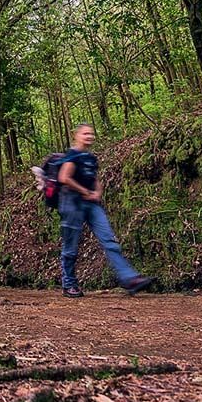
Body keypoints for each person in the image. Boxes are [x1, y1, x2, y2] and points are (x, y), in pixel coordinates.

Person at [57, 124, 152, 298]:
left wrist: (97, 192)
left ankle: (129, 279)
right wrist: (85, 192)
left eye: (91, 133)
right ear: (76, 136)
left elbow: (95, 179)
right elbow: (64, 178)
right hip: (71, 204)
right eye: (85, 133)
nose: (89, 136)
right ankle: (68, 283)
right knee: (71, 247)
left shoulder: (91, 158)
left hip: (91, 204)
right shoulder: (72, 155)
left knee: (109, 240)